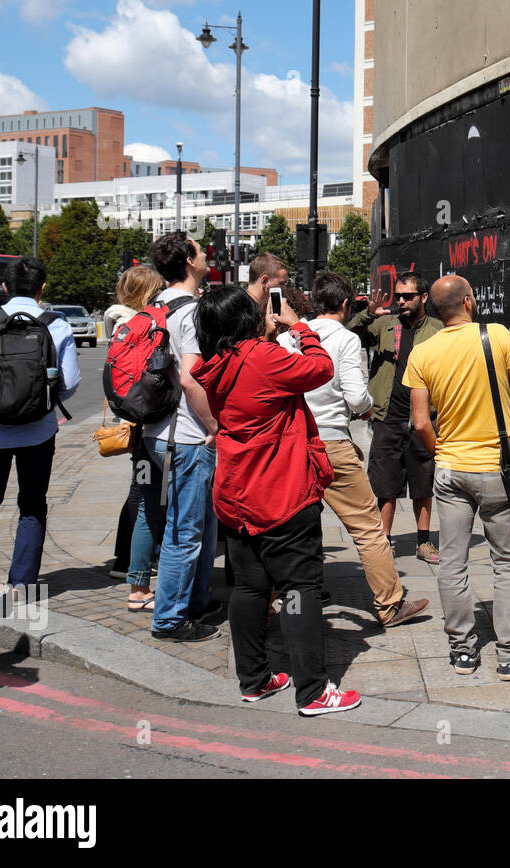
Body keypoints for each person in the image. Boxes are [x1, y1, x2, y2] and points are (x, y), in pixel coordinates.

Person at [192, 286, 361, 716]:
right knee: (299, 588)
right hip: (281, 491)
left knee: (248, 587)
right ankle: (314, 691)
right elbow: (320, 369)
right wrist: (300, 327)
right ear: (245, 319)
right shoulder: (263, 357)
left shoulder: (217, 364)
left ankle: (255, 680)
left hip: (236, 492)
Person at [404, 275, 510, 681]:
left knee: (452, 562)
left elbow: (421, 422)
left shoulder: (421, 353)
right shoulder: (496, 336)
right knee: (507, 562)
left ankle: (463, 652)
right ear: (468, 301)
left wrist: (441, 449)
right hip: (498, 468)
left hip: (450, 469)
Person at [280, 271, 430, 627]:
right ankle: (390, 604)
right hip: (330, 440)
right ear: (346, 305)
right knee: (367, 528)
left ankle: (280, 600)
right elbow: (355, 395)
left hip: (292, 441)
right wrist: (364, 408)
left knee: (291, 526)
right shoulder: (345, 339)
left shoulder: (289, 338)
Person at [0, 256, 80, 617]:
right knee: (32, 504)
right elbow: (68, 385)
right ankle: (21, 585)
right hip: (38, 431)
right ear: (42, 289)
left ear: (4, 287)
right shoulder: (58, 325)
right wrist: (38, 401)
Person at [130, 233, 221, 642]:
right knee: (185, 530)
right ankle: (169, 618)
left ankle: (196, 599)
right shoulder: (192, 313)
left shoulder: (156, 307)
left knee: (199, 523)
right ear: (188, 261)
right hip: (185, 436)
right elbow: (189, 377)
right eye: (201, 252)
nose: (206, 257)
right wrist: (214, 425)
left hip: (155, 432)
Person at [347, 271, 442, 562]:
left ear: (423, 297)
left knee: (423, 482)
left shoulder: (438, 330)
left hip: (422, 418)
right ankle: (384, 540)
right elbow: (349, 335)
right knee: (386, 485)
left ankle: (423, 542)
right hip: (387, 416)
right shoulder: (384, 325)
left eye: (408, 296)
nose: (401, 301)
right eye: (398, 296)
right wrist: (367, 313)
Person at [100, 266, 166, 604]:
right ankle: (135, 566)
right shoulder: (141, 324)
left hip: (133, 418)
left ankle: (131, 566)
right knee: (148, 496)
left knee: (141, 492)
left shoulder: (120, 325)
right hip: (149, 421)